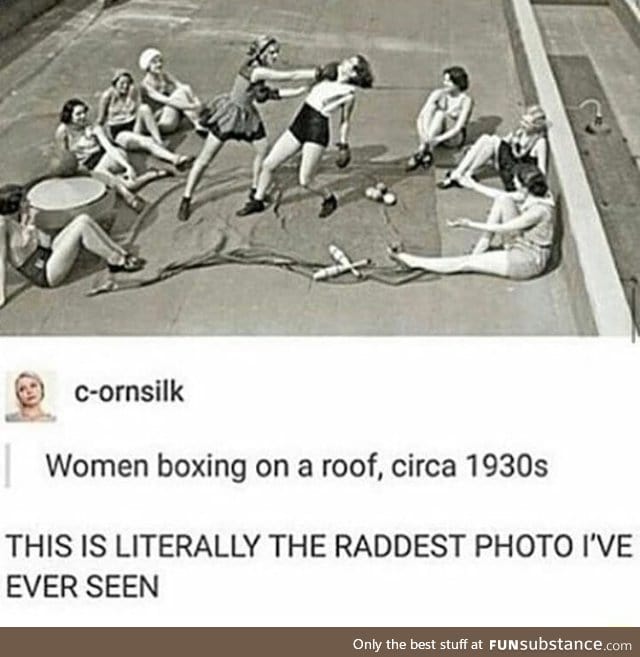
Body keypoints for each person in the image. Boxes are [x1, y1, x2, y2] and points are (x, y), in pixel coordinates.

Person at [177, 35, 321, 222]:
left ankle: (255, 190)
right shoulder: (256, 71)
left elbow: (273, 94)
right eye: (272, 52)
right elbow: (288, 76)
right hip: (229, 115)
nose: (275, 56)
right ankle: (186, 198)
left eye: (277, 52)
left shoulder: (259, 70)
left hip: (247, 116)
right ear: (261, 53)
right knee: (205, 158)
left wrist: (301, 91)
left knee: (262, 149)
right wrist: (316, 73)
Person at [236, 54, 374, 219]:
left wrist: (343, 144)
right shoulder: (328, 75)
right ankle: (257, 201)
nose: (344, 62)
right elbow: (302, 84)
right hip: (300, 122)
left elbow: (345, 121)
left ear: (354, 74)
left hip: (317, 130)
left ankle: (329, 197)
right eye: (347, 60)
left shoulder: (349, 93)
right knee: (268, 164)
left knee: (305, 180)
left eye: (350, 64)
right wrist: (274, 94)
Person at [388, 164, 555, 280]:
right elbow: (498, 195)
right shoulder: (537, 194)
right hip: (522, 242)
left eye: (516, 181)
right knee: (503, 199)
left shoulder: (537, 212)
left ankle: (411, 261)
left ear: (524, 187)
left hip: (526, 261)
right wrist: (472, 185)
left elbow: (503, 227)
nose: (513, 183)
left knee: (466, 263)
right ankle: (480, 248)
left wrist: (469, 224)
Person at [0, 183, 145, 309]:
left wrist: (29, 220)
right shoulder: (1, 225)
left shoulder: (16, 219)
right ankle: (117, 260)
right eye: (25, 200)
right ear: (16, 205)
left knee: (83, 219)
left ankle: (119, 254)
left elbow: (30, 238)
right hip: (44, 272)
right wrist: (1, 296)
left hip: (45, 253)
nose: (29, 201)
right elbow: (1, 260)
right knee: (80, 227)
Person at [55, 98, 169, 212]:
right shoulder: (63, 131)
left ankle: (128, 197)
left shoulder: (94, 128)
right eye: (78, 114)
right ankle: (152, 174)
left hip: (109, 158)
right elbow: (64, 156)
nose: (83, 116)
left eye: (84, 112)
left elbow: (110, 149)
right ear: (69, 115)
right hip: (88, 167)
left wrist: (127, 166)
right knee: (129, 185)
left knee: (101, 173)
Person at [97, 69, 195, 171]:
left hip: (134, 125)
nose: (125, 86)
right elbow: (100, 120)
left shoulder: (133, 92)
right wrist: (102, 139)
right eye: (121, 83)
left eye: (127, 83)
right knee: (147, 142)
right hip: (119, 132)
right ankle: (176, 159)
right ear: (115, 84)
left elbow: (147, 104)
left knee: (144, 108)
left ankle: (159, 141)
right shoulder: (107, 96)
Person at [437, 105, 549, 191]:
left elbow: (541, 171)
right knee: (488, 139)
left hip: (514, 174)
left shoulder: (539, 142)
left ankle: (461, 175)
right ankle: (461, 173)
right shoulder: (520, 132)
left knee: (491, 140)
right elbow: (503, 142)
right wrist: (477, 149)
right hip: (507, 163)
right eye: (523, 120)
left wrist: (530, 187)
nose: (522, 124)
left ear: (536, 127)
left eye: (527, 123)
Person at [406, 66, 473, 171]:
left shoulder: (466, 100)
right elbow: (421, 117)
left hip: (452, 138)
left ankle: (422, 153)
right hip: (432, 136)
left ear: (457, 83)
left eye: (448, 81)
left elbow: (458, 128)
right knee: (432, 108)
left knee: (440, 114)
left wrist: (437, 139)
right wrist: (424, 136)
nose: (444, 83)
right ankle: (424, 150)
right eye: (444, 80)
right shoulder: (438, 93)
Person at [138, 47, 203, 134]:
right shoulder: (145, 86)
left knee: (184, 88)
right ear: (147, 66)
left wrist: (196, 101)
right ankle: (197, 122)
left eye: (160, 61)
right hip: (162, 122)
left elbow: (182, 86)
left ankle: (199, 117)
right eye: (154, 62)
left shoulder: (164, 75)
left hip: (171, 114)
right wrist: (192, 106)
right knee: (179, 94)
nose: (159, 64)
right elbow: (168, 101)